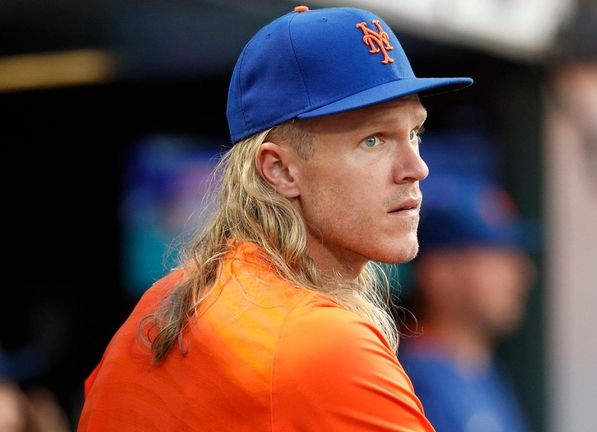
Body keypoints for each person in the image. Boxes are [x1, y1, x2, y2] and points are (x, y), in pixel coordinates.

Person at [78, 6, 471, 431]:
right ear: (280, 170)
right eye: (373, 140)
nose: (416, 167)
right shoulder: (322, 345)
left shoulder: (162, 302)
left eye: (415, 133)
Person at [398, 136, 534, 432]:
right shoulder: (413, 385)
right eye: (495, 258)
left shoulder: (482, 370)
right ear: (438, 274)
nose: (519, 273)